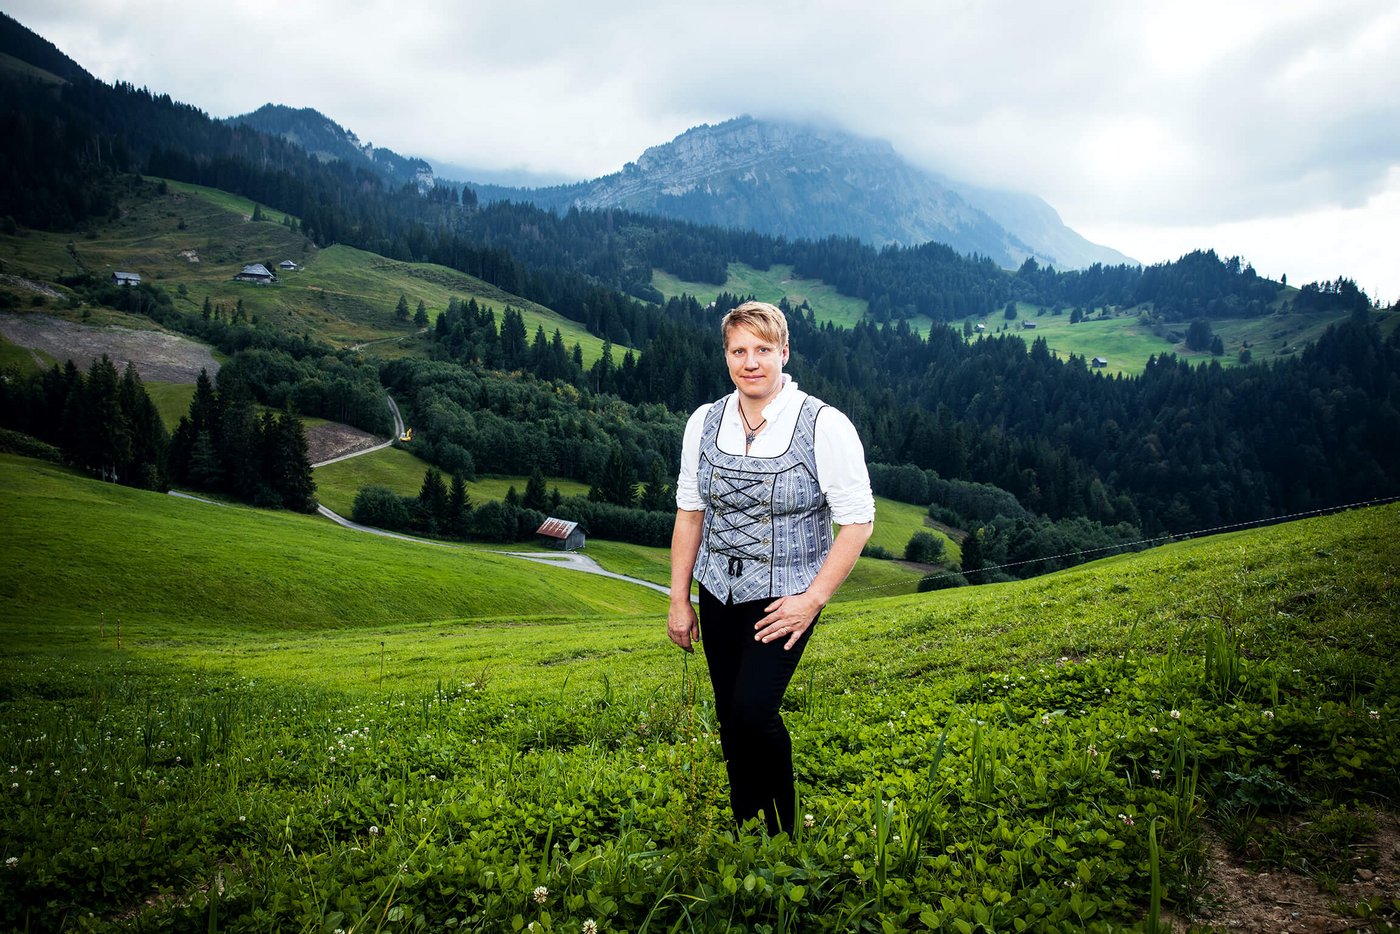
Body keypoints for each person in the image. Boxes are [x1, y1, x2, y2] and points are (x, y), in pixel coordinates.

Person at [668, 300, 875, 836]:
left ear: (784, 352)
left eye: (763, 349)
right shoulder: (704, 420)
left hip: (785, 599)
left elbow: (857, 522)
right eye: (739, 350)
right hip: (716, 594)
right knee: (730, 719)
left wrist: (812, 600)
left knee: (754, 712)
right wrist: (678, 599)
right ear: (726, 357)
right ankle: (746, 826)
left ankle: (783, 835)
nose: (751, 362)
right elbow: (690, 512)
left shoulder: (823, 424)